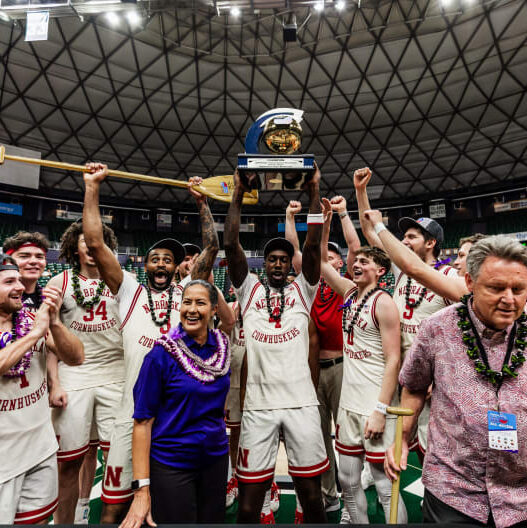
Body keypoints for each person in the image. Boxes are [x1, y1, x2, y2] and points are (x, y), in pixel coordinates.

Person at [81, 163, 231, 523]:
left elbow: (212, 245)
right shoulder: (129, 290)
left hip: (177, 424)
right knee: (113, 508)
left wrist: (201, 203)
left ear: (178, 266)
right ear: (144, 265)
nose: (162, 263)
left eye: (169, 259)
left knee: (173, 508)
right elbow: (96, 243)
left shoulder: (187, 294)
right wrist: (91, 188)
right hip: (132, 415)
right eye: (155, 259)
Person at [385, 235, 527, 528]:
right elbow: (413, 385)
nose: (509, 299)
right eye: (497, 288)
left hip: (520, 494)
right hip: (453, 490)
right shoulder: (437, 328)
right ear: (470, 283)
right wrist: (402, 438)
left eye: (519, 289)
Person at [224, 167, 328, 524]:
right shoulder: (249, 289)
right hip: (258, 406)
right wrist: (238, 193)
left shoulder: (304, 289)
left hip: (301, 404)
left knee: (313, 500)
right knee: (249, 506)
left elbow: (314, 245)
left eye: (284, 258)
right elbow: (230, 245)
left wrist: (314, 190)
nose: (279, 263)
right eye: (273, 258)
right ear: (264, 263)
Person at [355, 169, 458, 457]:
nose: (404, 242)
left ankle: (432, 496)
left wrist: (438, 377)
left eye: (412, 237)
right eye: (404, 236)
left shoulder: (448, 276)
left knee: (430, 444)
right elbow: (369, 231)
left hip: (432, 377)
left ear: (431, 243)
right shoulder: (402, 270)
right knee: (397, 442)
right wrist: (361, 192)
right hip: (402, 372)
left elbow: (458, 333)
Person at [319, 199, 407, 524]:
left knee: (385, 487)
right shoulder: (349, 293)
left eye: (365, 261)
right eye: (356, 261)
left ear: (380, 270)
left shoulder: (383, 303)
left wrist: (382, 410)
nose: (356, 263)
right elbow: (317, 262)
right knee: (348, 482)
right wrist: (326, 221)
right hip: (348, 405)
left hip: (375, 406)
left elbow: (394, 359)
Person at [119, 280, 231, 527]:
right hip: (172, 464)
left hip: (215, 460)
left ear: (214, 310)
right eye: (187, 302)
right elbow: (142, 423)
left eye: (200, 303)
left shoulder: (222, 346)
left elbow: (230, 320)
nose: (191, 309)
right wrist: (141, 491)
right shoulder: (160, 355)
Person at [285, 195, 361, 516]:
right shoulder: (309, 285)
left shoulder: (347, 285)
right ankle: (329, 494)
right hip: (312, 369)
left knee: (344, 436)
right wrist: (290, 218)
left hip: (342, 367)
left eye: (331, 257)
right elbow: (300, 252)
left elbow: (344, 249)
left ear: (339, 263)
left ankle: (350, 497)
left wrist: (332, 220)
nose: (324, 260)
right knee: (318, 436)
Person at [44, 220, 124, 523]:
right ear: (73, 247)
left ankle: (113, 518)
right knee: (67, 463)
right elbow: (47, 337)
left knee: (118, 460)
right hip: (75, 373)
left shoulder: (123, 280)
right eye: (86, 241)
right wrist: (54, 383)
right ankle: (66, 519)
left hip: (117, 372)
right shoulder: (59, 282)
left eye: (99, 241)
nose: (92, 246)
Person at [0, 254, 84, 524]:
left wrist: (55, 323)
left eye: (19, 280)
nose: (20, 286)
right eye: (9, 281)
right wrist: (35, 334)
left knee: (37, 522)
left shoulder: (30, 320)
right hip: (3, 456)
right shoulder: (33, 328)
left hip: (40, 447)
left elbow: (76, 357)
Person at [2, 231, 50, 312]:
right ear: (8, 261)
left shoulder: (50, 300)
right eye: (24, 256)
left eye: (39, 257)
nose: (33, 261)